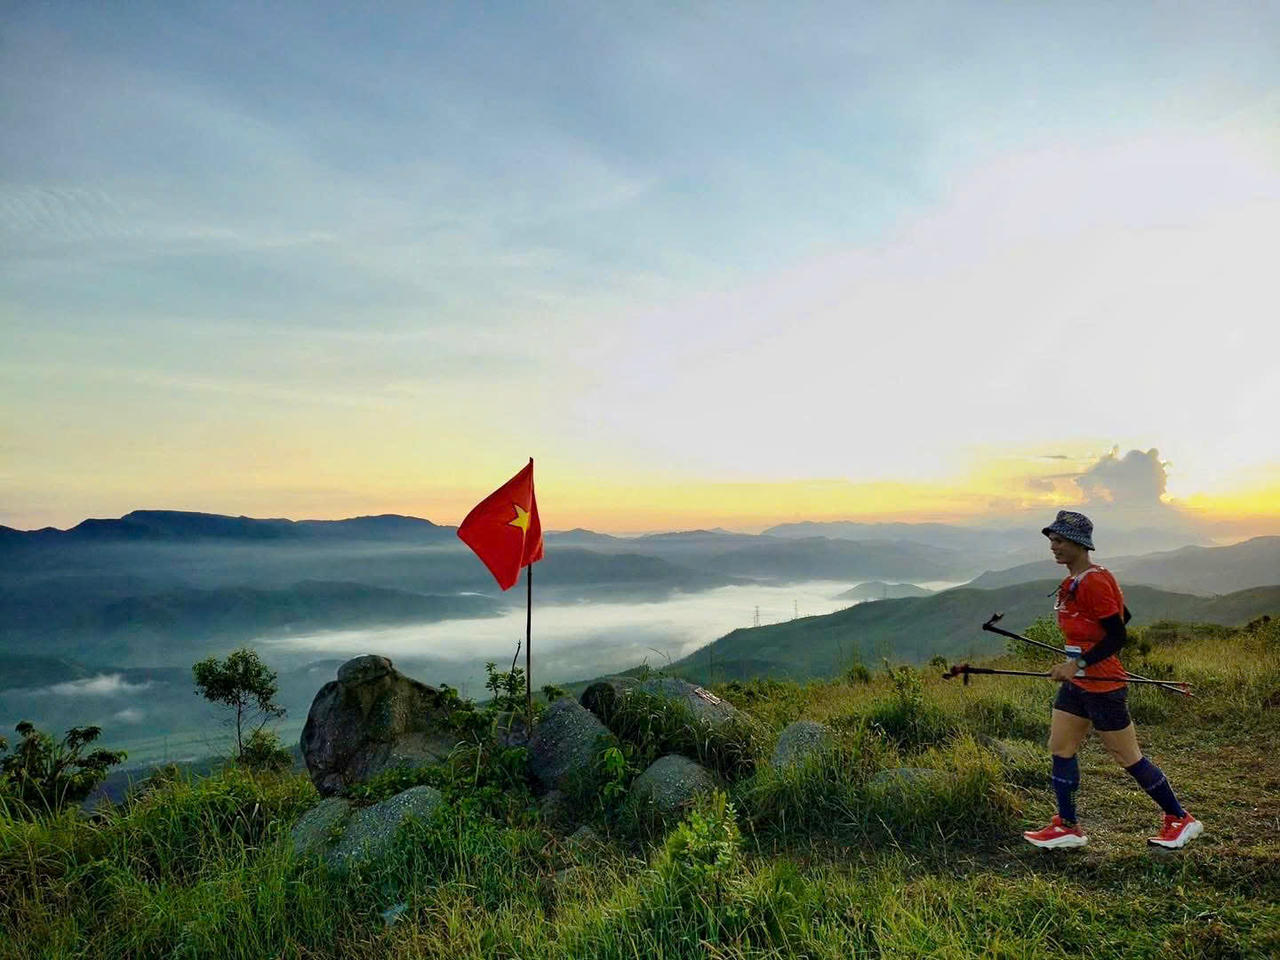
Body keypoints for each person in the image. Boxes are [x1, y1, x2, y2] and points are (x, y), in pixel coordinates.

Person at [1021, 510, 1202, 850]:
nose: (1053, 547)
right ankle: (1068, 826)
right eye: (1052, 541)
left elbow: (1118, 634)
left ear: (1078, 543)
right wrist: (1078, 660)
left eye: (1059, 541)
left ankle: (1180, 818)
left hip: (1103, 685)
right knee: (1060, 747)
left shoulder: (1094, 581)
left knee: (1127, 756)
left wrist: (1079, 662)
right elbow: (1122, 615)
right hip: (1078, 684)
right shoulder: (1076, 581)